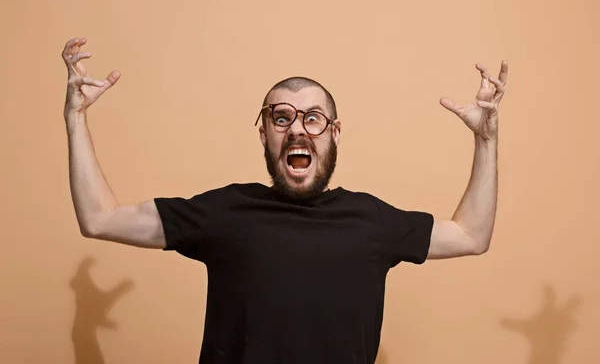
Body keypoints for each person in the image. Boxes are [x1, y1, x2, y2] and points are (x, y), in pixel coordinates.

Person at [62, 36, 508, 364]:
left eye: (313, 118)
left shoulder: (371, 220)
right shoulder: (224, 212)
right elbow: (99, 219)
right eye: (282, 118)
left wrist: (486, 140)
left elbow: (472, 234)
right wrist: (76, 118)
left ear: (334, 134)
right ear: (264, 133)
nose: (297, 129)